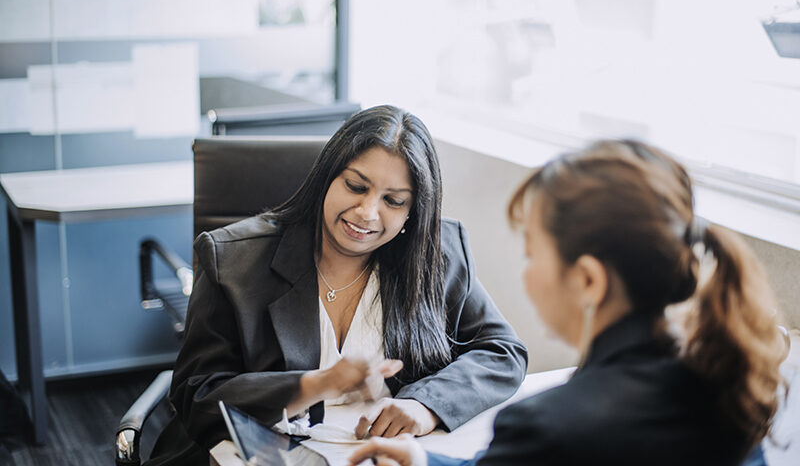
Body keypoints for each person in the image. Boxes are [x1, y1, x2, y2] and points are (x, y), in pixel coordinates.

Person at [349, 139, 787, 466]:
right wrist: (424, 460)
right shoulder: (726, 385)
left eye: (534, 254)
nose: (527, 274)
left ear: (588, 280)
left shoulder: (547, 429)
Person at [145, 105, 528, 465]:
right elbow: (197, 397)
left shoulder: (436, 254)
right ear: (327, 176)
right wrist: (315, 385)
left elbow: (502, 351)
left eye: (393, 201)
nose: (367, 213)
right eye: (356, 186)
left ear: (413, 211)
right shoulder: (232, 259)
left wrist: (424, 406)